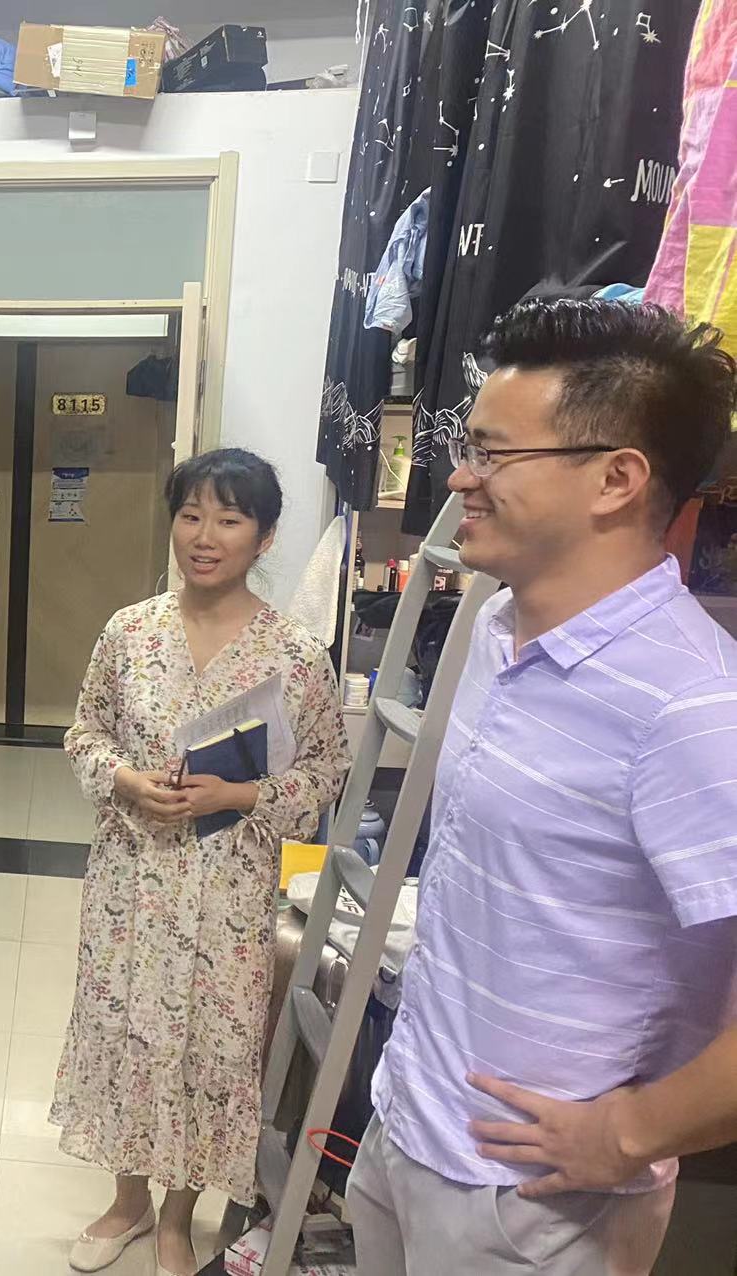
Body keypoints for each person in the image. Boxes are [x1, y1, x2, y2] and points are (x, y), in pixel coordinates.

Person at [347, 298, 737, 1276]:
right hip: (407, 1124)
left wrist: (631, 1132)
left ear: (616, 479)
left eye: (492, 454)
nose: (460, 477)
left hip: (534, 1208)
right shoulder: (495, 628)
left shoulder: (692, 706)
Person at [54, 448, 350, 1276]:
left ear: (265, 537)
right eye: (190, 515)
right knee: (125, 1029)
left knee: (206, 1047)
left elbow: (326, 769)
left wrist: (239, 795)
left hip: (228, 891)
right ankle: (127, 1201)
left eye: (229, 519)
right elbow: (84, 732)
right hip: (132, 881)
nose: (205, 536)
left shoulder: (295, 655)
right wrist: (125, 780)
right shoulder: (129, 632)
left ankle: (179, 1215)